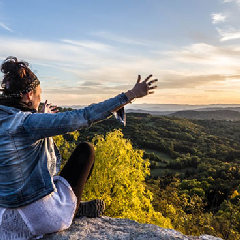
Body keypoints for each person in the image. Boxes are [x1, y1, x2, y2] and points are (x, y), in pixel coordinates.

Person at [0, 56, 158, 240]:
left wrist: (42, 117)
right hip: (36, 215)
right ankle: (74, 208)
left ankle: (74, 204)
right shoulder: (27, 123)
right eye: (38, 95)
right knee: (86, 150)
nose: (38, 100)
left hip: (5, 215)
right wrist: (130, 95)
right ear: (28, 96)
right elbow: (84, 116)